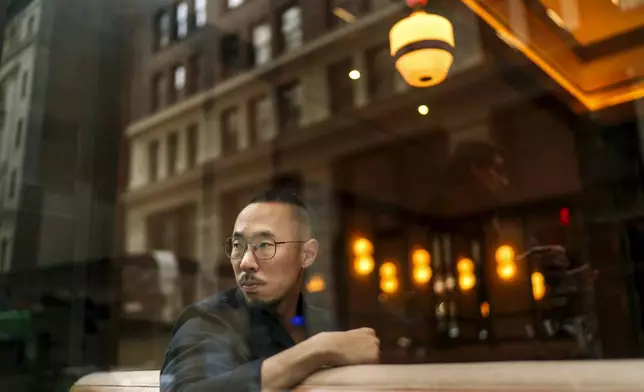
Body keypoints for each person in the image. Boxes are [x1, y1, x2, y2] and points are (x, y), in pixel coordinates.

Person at [160, 189, 380, 391]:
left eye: (265, 245)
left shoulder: (320, 321)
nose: (246, 262)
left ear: (307, 254)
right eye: (238, 246)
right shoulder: (209, 320)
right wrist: (318, 349)